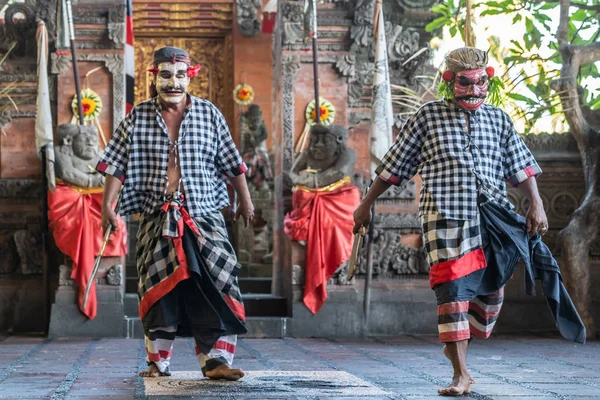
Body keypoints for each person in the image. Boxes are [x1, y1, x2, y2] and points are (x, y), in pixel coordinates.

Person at [353, 47, 585, 396]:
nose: (475, 91)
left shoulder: (499, 119)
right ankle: (460, 373)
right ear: (450, 81)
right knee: (452, 291)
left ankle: (461, 348)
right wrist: (366, 204)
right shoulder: (427, 116)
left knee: (490, 294)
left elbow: (521, 167)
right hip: (444, 218)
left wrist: (536, 203)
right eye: (466, 83)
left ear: (488, 80)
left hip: (493, 218)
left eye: (481, 83)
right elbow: (393, 168)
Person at [96, 46, 254, 381]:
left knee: (219, 284)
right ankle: (158, 363)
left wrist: (246, 201)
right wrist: (107, 206)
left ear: (189, 77)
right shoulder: (138, 116)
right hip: (158, 217)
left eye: (180, 75)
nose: (173, 82)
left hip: (205, 216)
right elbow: (115, 165)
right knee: (159, 289)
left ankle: (215, 362)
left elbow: (233, 162)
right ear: (153, 77)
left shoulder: (209, 114)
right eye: (166, 75)